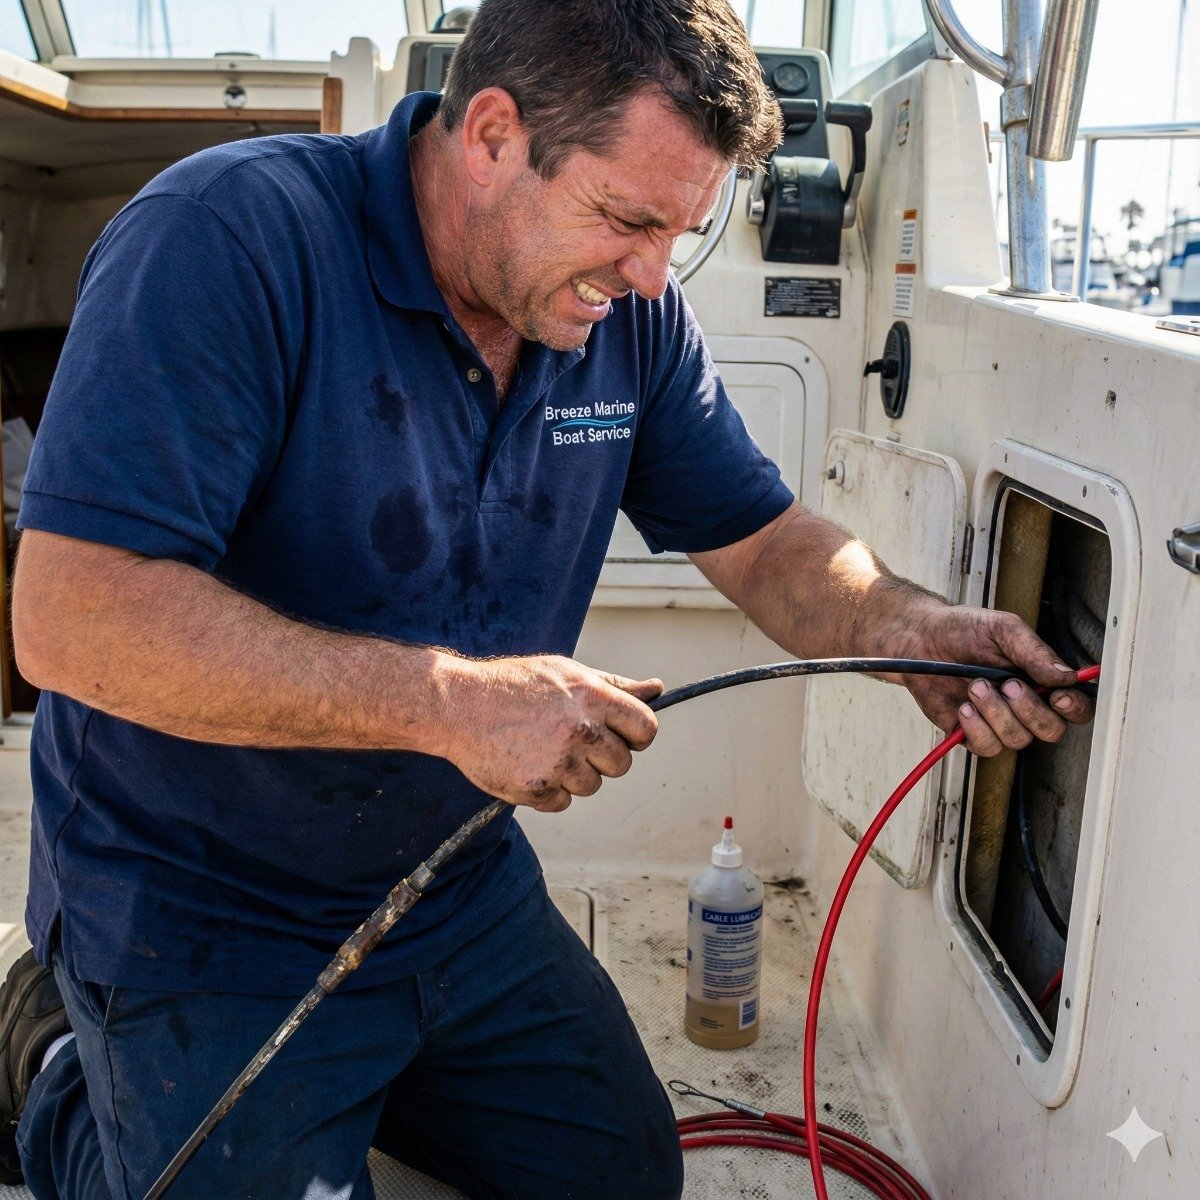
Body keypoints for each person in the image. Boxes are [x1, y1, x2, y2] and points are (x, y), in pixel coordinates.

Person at [0, 1, 1093, 1197]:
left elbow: (768, 541)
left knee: (629, 1180)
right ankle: (53, 1052)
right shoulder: (224, 240)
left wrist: (908, 628)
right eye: (626, 220)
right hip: (202, 910)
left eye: (681, 231)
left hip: (450, 883)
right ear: (490, 135)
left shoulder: (630, 318)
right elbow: (71, 620)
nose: (650, 275)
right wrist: (453, 707)